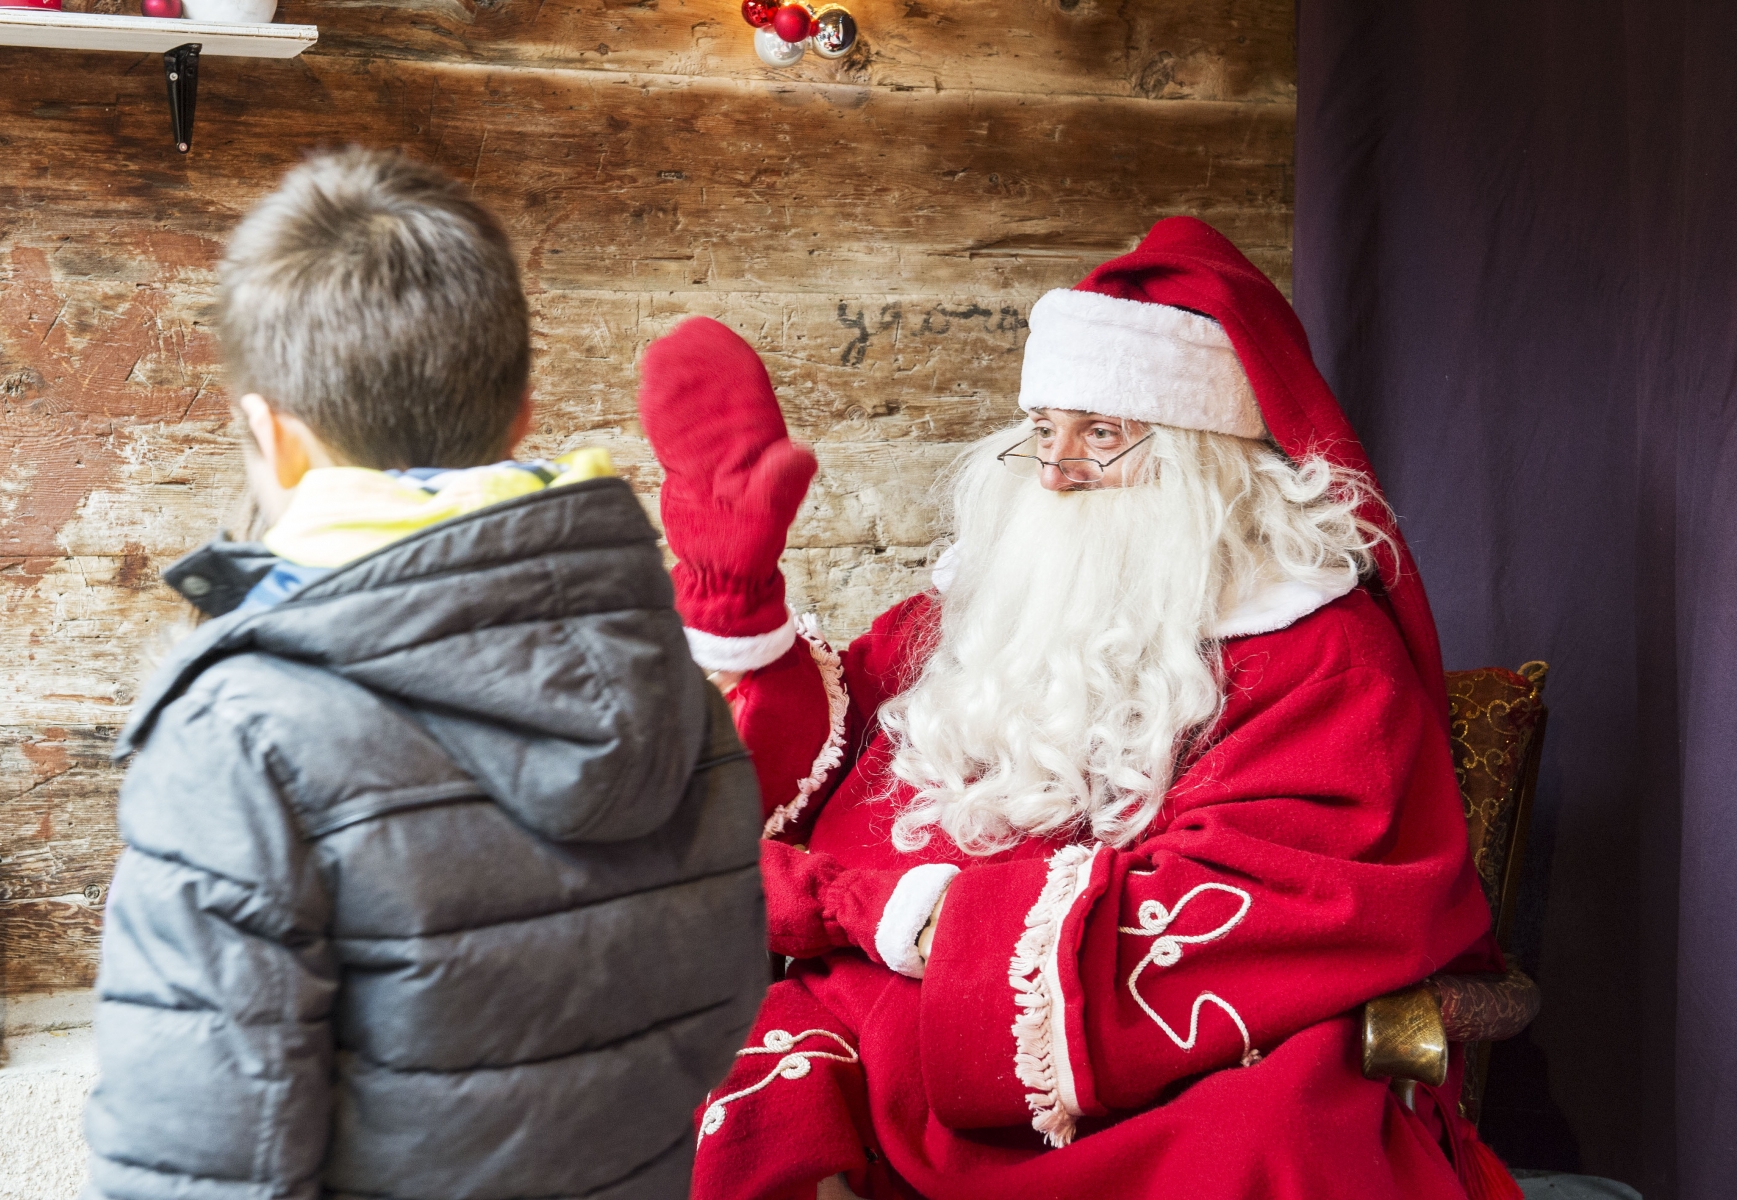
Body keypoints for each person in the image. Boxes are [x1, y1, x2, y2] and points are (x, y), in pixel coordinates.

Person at [637, 217, 1520, 1200]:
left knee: (1265, 1141)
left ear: (1204, 458)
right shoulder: (997, 592)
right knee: (718, 1079)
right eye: (1042, 430)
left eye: (1100, 434)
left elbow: (1276, 905)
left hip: (1137, 1056)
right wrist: (741, 610)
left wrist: (902, 914)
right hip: (888, 1008)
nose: (1055, 472)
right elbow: (847, 748)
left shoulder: (1322, 652)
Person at [82, 148, 768, 1200]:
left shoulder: (234, 735)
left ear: (274, 437)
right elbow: (716, 1014)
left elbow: (204, 1161)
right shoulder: (670, 678)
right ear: (523, 412)